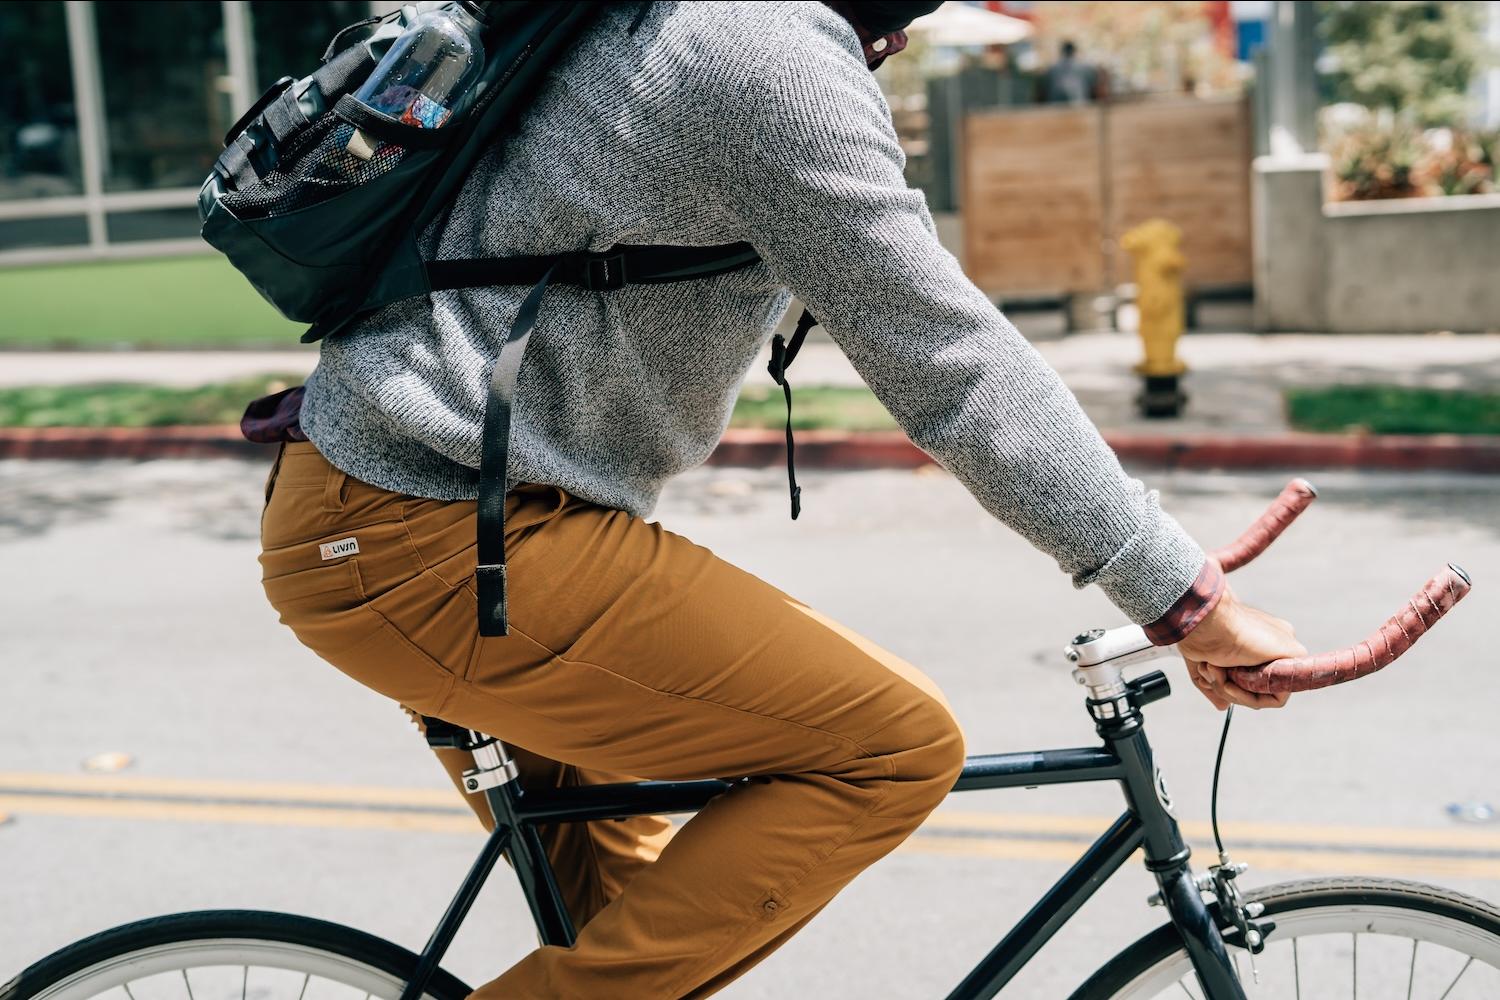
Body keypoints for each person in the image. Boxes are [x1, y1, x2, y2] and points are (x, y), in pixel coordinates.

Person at [253, 2, 1302, 997]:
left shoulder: (704, 24)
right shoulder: (761, 51)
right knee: (890, 748)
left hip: (437, 515)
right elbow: (948, 357)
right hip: (429, 534)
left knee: (644, 953)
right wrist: (1182, 595)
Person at [1043, 39, 1106, 104]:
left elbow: (1046, 85)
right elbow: (1093, 83)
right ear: (1074, 51)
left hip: (1056, 104)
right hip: (1078, 103)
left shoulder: (1053, 67)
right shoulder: (1083, 66)